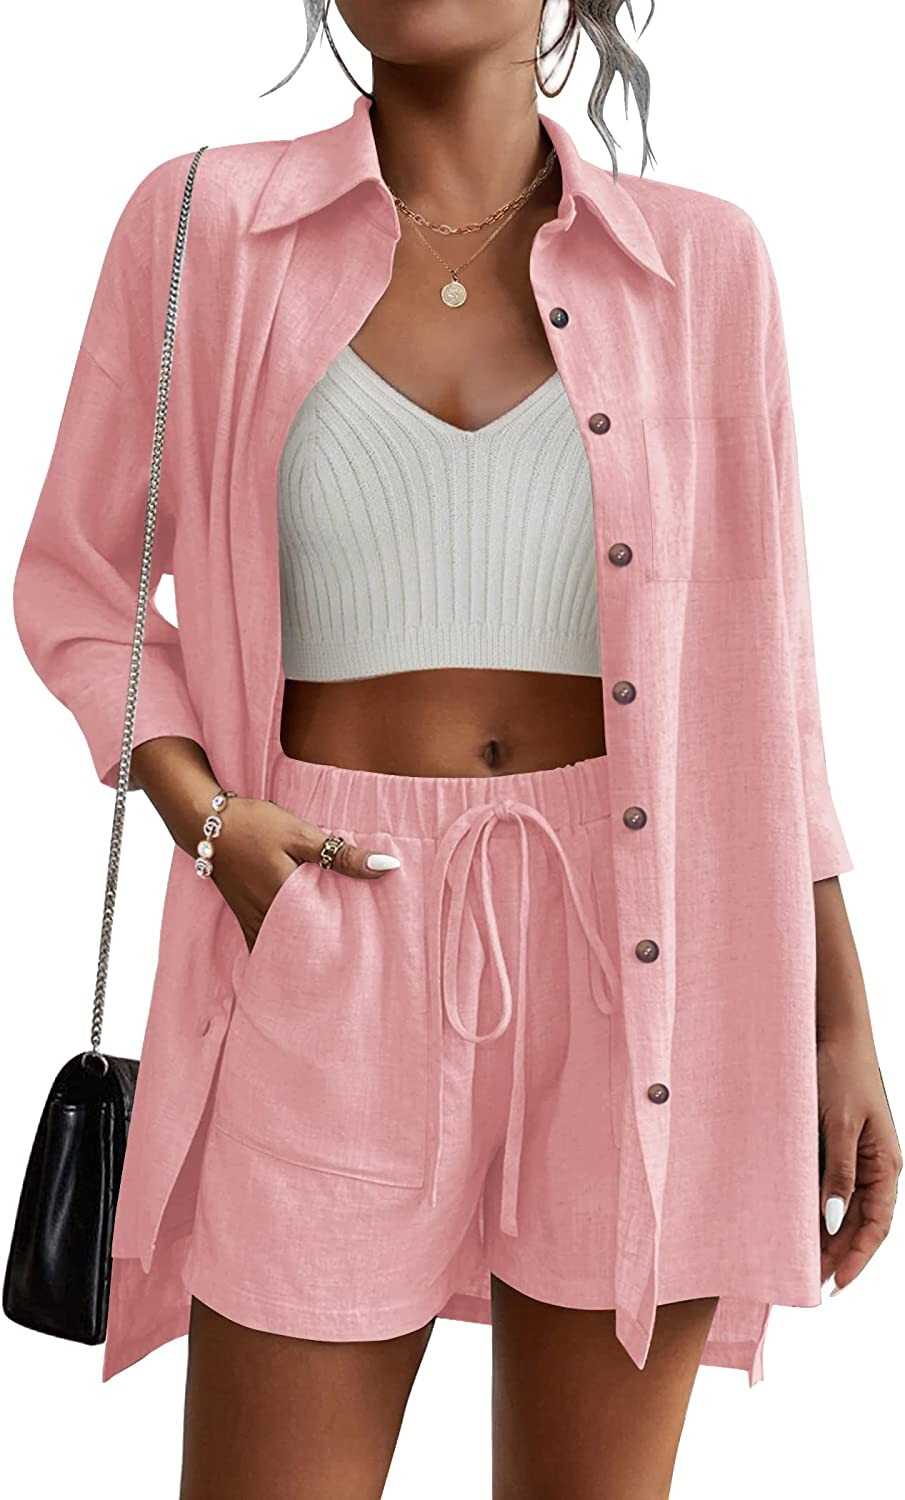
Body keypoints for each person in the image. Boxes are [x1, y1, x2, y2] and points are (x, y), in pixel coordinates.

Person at [13, 2, 901, 1496]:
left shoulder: (703, 264)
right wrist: (209, 820)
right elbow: (78, 585)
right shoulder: (203, 227)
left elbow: (765, 681)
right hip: (326, 925)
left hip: (647, 962)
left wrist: (835, 1014)